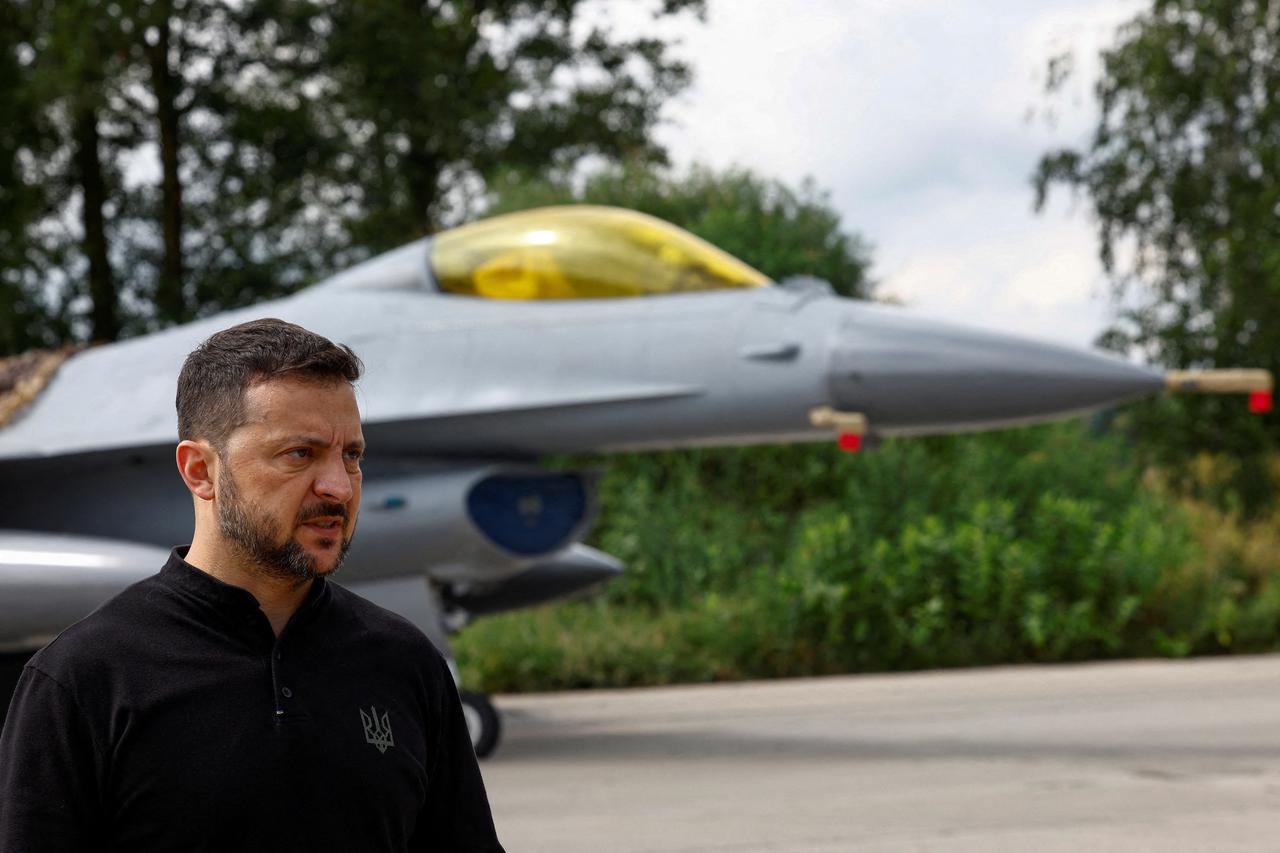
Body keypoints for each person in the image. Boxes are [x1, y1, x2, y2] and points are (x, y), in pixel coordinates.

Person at [0, 318, 504, 851]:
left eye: (351, 456)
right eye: (299, 454)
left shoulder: (405, 663)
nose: (338, 486)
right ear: (200, 470)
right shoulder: (82, 681)